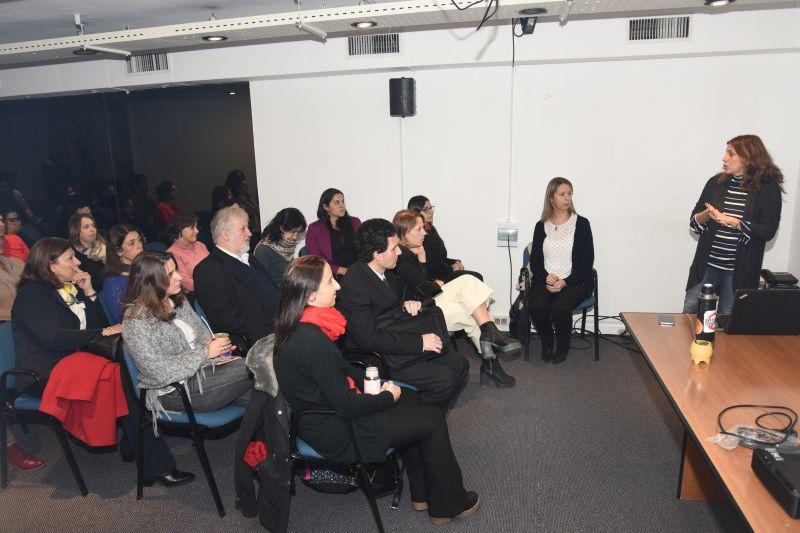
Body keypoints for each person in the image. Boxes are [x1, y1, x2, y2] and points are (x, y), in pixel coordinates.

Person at [274, 255, 480, 525]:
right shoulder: (311, 342)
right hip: (336, 430)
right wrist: (385, 397)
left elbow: (343, 370)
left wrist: (373, 380)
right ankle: (447, 504)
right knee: (432, 420)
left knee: (414, 399)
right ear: (311, 298)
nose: (338, 286)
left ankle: (423, 494)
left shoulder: (307, 326)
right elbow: (346, 405)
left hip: (328, 415)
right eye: (330, 282)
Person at [11, 238, 192, 487]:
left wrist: (89, 292)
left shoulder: (69, 287)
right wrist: (104, 334)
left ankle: (135, 441)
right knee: (125, 379)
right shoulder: (32, 294)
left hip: (78, 359)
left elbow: (97, 325)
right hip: (47, 371)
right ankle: (154, 463)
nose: (77, 263)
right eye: (70, 259)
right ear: (51, 265)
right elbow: (55, 337)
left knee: (128, 371)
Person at [337, 219, 468, 409]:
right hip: (382, 357)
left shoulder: (385, 271)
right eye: (394, 248)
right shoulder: (355, 285)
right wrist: (420, 343)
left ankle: (427, 417)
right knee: (445, 380)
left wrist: (407, 303)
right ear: (376, 254)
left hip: (397, 340)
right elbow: (368, 339)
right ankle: (420, 419)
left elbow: (390, 307)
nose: (399, 252)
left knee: (460, 364)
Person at [392, 210, 518, 387]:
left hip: (428, 304)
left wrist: (427, 269)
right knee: (468, 286)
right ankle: (491, 345)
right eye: (419, 229)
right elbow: (424, 288)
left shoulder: (409, 252)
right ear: (404, 233)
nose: (424, 233)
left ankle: (491, 361)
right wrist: (427, 267)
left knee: (471, 312)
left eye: (423, 228)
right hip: (418, 313)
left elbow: (424, 285)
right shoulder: (401, 256)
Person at [122, 252, 251, 419]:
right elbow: (158, 372)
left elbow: (205, 339)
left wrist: (219, 351)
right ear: (151, 282)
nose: (179, 277)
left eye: (175, 270)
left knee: (269, 391)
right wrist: (205, 353)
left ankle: (261, 444)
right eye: (169, 274)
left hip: (205, 374)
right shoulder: (136, 320)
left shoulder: (177, 302)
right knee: (257, 364)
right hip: (174, 391)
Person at [683, 134, 784, 314]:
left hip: (740, 271)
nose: (724, 158)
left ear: (748, 157)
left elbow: (768, 231)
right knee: (691, 308)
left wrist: (734, 222)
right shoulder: (716, 183)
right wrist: (708, 214)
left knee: (729, 317)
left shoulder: (768, 188)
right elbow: (694, 224)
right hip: (707, 264)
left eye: (731, 154)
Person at [528, 177, 594, 364]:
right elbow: (536, 261)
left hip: (575, 280)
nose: (567, 198)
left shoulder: (581, 224)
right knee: (537, 306)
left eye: (570, 194)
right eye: (562, 194)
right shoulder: (541, 225)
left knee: (559, 308)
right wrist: (546, 277)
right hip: (546, 278)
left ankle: (563, 346)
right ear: (551, 198)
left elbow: (587, 261)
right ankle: (547, 341)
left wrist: (565, 281)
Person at [194, 205, 279, 350]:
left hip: (279, 327)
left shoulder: (250, 260)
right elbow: (228, 318)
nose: (250, 233)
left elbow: (273, 291)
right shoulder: (208, 270)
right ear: (225, 235)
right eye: (243, 229)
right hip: (258, 340)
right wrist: (274, 330)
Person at [407, 195, 482, 282]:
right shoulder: (417, 236)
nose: (430, 212)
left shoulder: (430, 229)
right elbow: (429, 266)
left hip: (443, 272)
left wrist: (456, 262)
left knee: (476, 278)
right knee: (476, 278)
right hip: (434, 278)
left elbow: (440, 259)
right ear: (416, 213)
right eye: (426, 209)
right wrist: (451, 268)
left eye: (430, 208)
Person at [306, 188, 361, 277]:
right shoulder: (314, 229)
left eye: (343, 202)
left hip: (358, 271)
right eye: (337, 203)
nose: (342, 206)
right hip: (332, 275)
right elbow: (316, 260)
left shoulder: (355, 222)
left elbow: (365, 248)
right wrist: (340, 270)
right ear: (325, 207)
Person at [100, 224, 145, 324]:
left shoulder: (147, 268)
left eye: (139, 240)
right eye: (132, 243)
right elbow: (125, 321)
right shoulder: (114, 284)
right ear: (119, 251)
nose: (139, 245)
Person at [253, 208, 307, 285]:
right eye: (293, 232)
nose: (295, 237)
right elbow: (259, 282)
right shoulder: (264, 250)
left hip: (288, 290)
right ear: (281, 228)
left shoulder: (287, 246)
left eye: (297, 233)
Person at [166, 214, 209, 296]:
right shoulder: (172, 254)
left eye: (196, 227)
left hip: (211, 287)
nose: (197, 231)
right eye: (192, 227)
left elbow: (214, 267)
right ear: (179, 230)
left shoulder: (200, 245)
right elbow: (188, 284)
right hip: (193, 295)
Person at [68, 213, 106, 292]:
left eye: (93, 225)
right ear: (76, 232)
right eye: (86, 227)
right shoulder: (74, 257)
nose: (92, 229)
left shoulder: (103, 244)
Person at [225, 170, 260, 249]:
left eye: (245, 181)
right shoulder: (234, 204)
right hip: (248, 237)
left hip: (258, 234)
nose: (245, 184)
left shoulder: (249, 198)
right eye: (242, 183)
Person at [129, 174, 157, 241]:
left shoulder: (150, 202)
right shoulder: (131, 203)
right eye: (143, 183)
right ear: (136, 186)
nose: (146, 185)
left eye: (146, 182)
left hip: (152, 234)